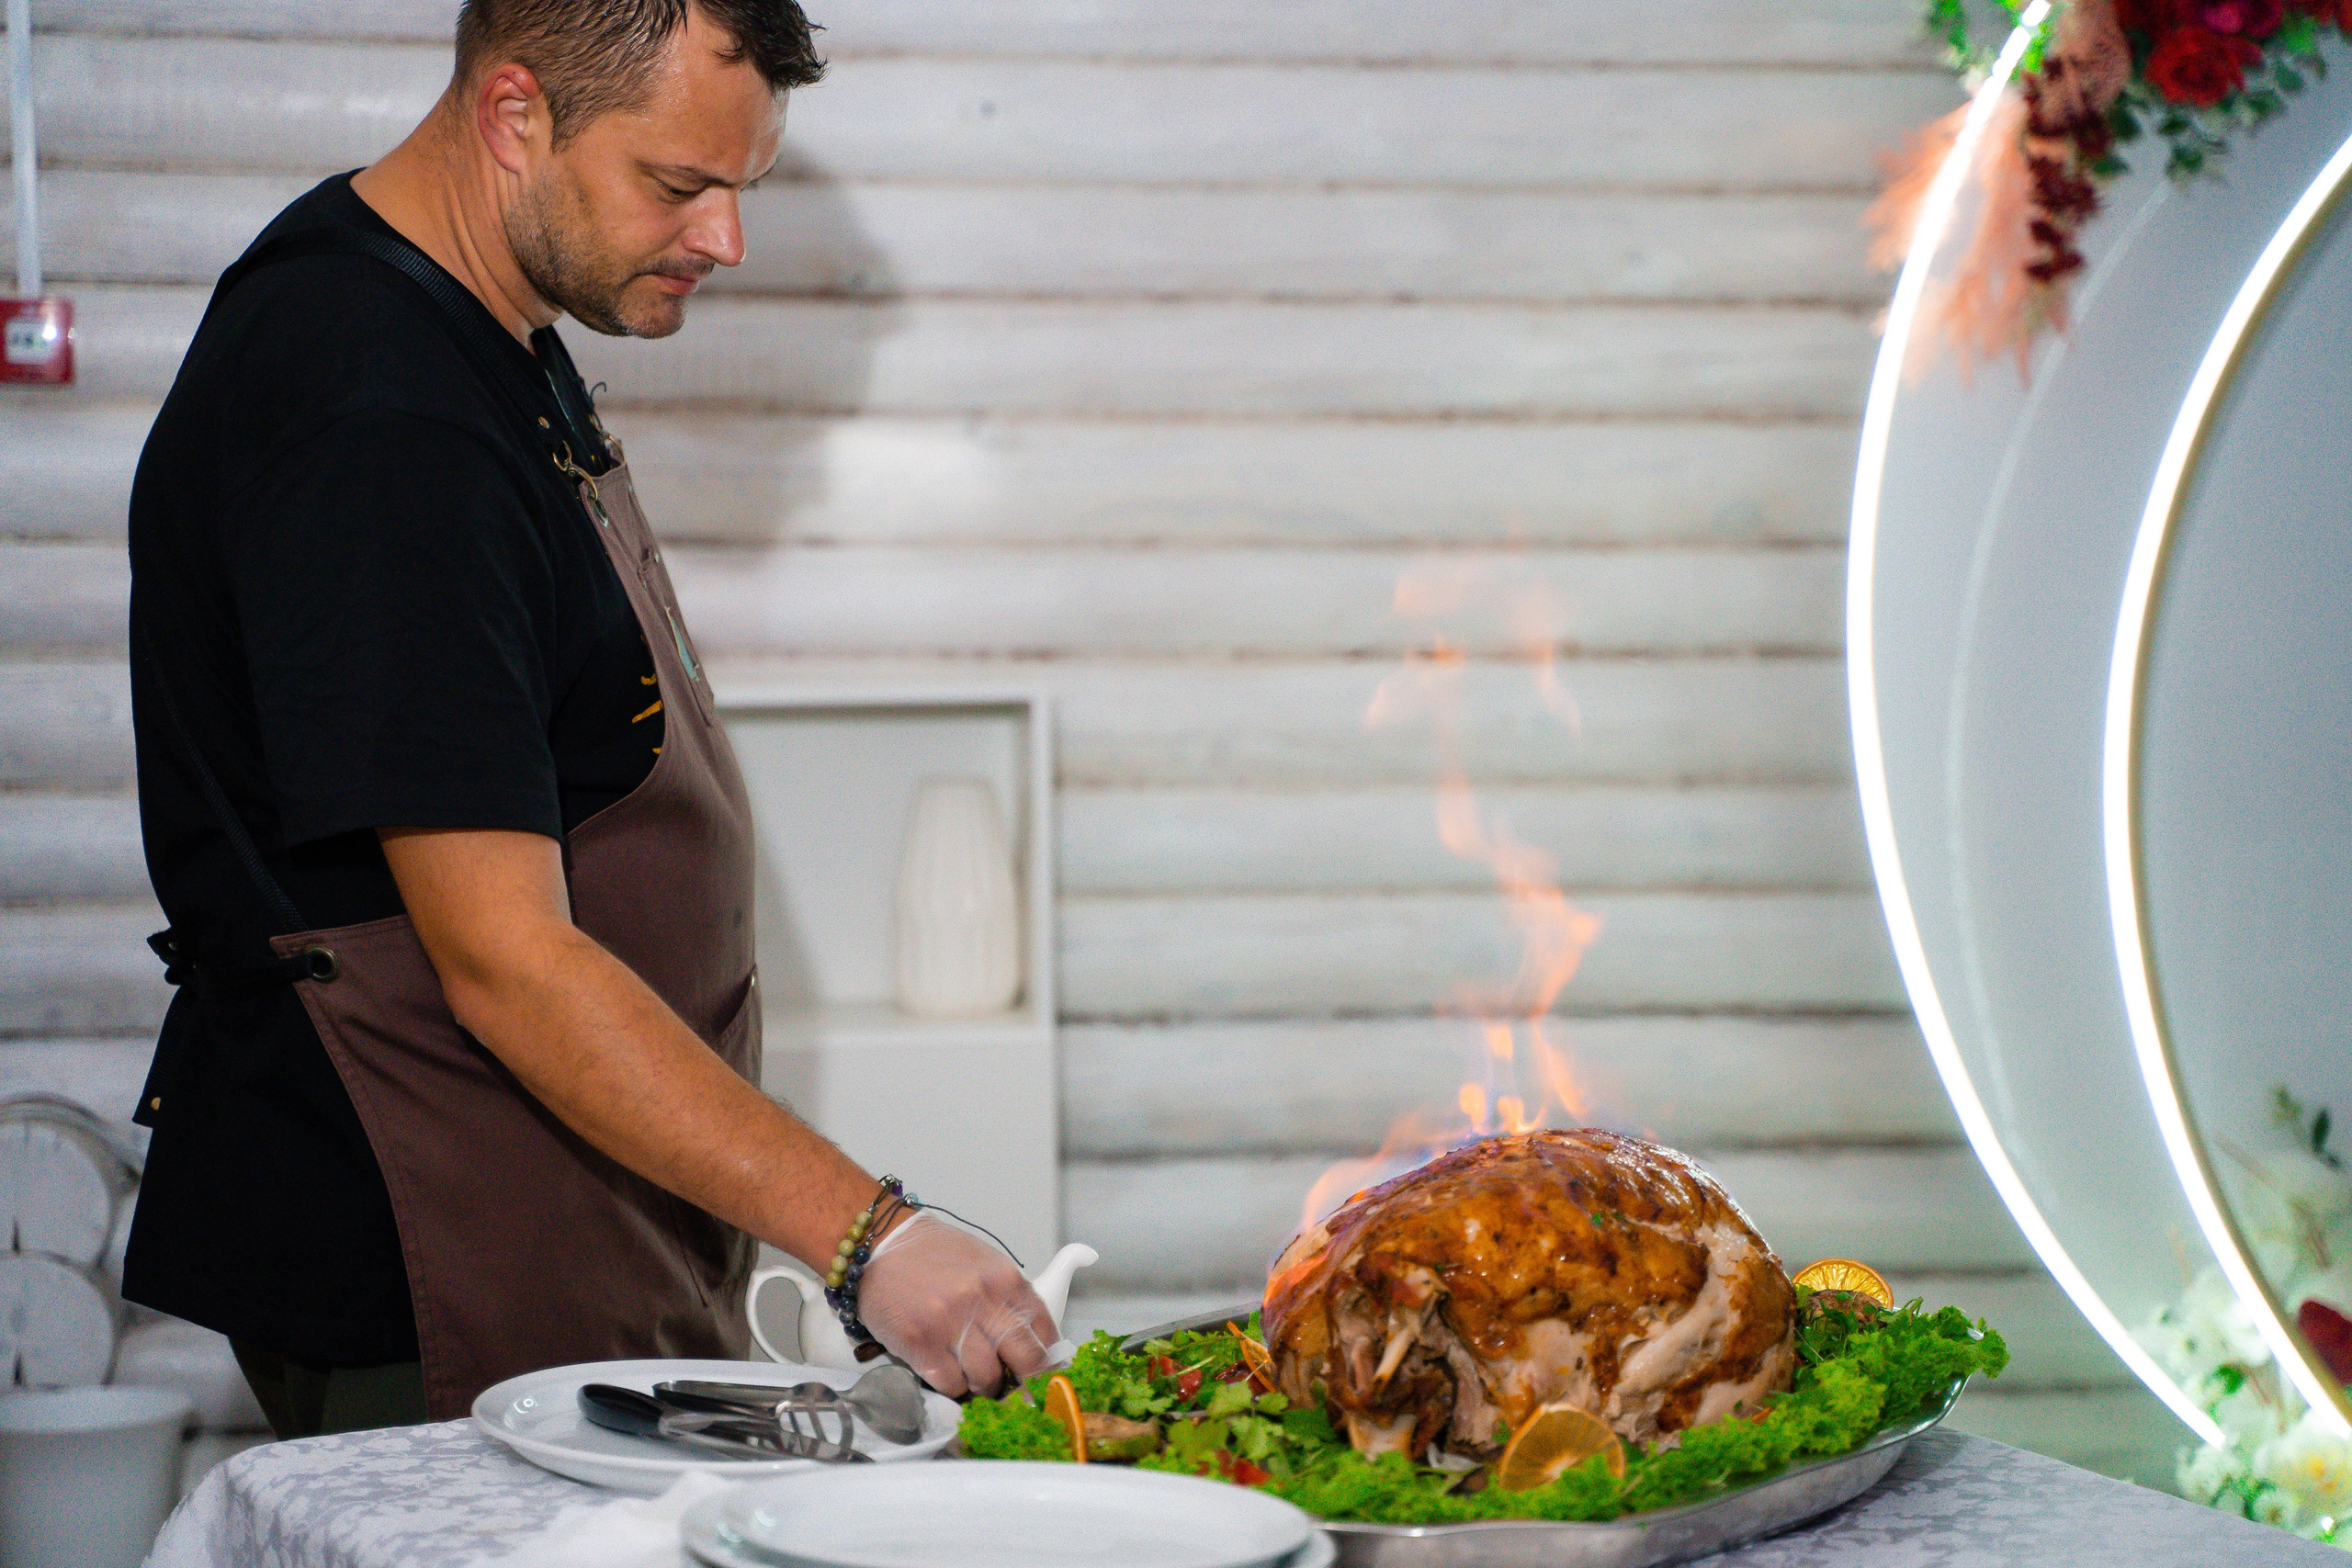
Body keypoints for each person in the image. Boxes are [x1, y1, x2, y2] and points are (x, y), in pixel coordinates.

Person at [122, 0, 1054, 1437]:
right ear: (514, 119)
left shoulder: (488, 328)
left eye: (742, 188)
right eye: (679, 185)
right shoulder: (381, 413)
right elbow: (507, 963)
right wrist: (868, 1238)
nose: (725, 242)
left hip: (562, 1219)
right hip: (434, 1247)